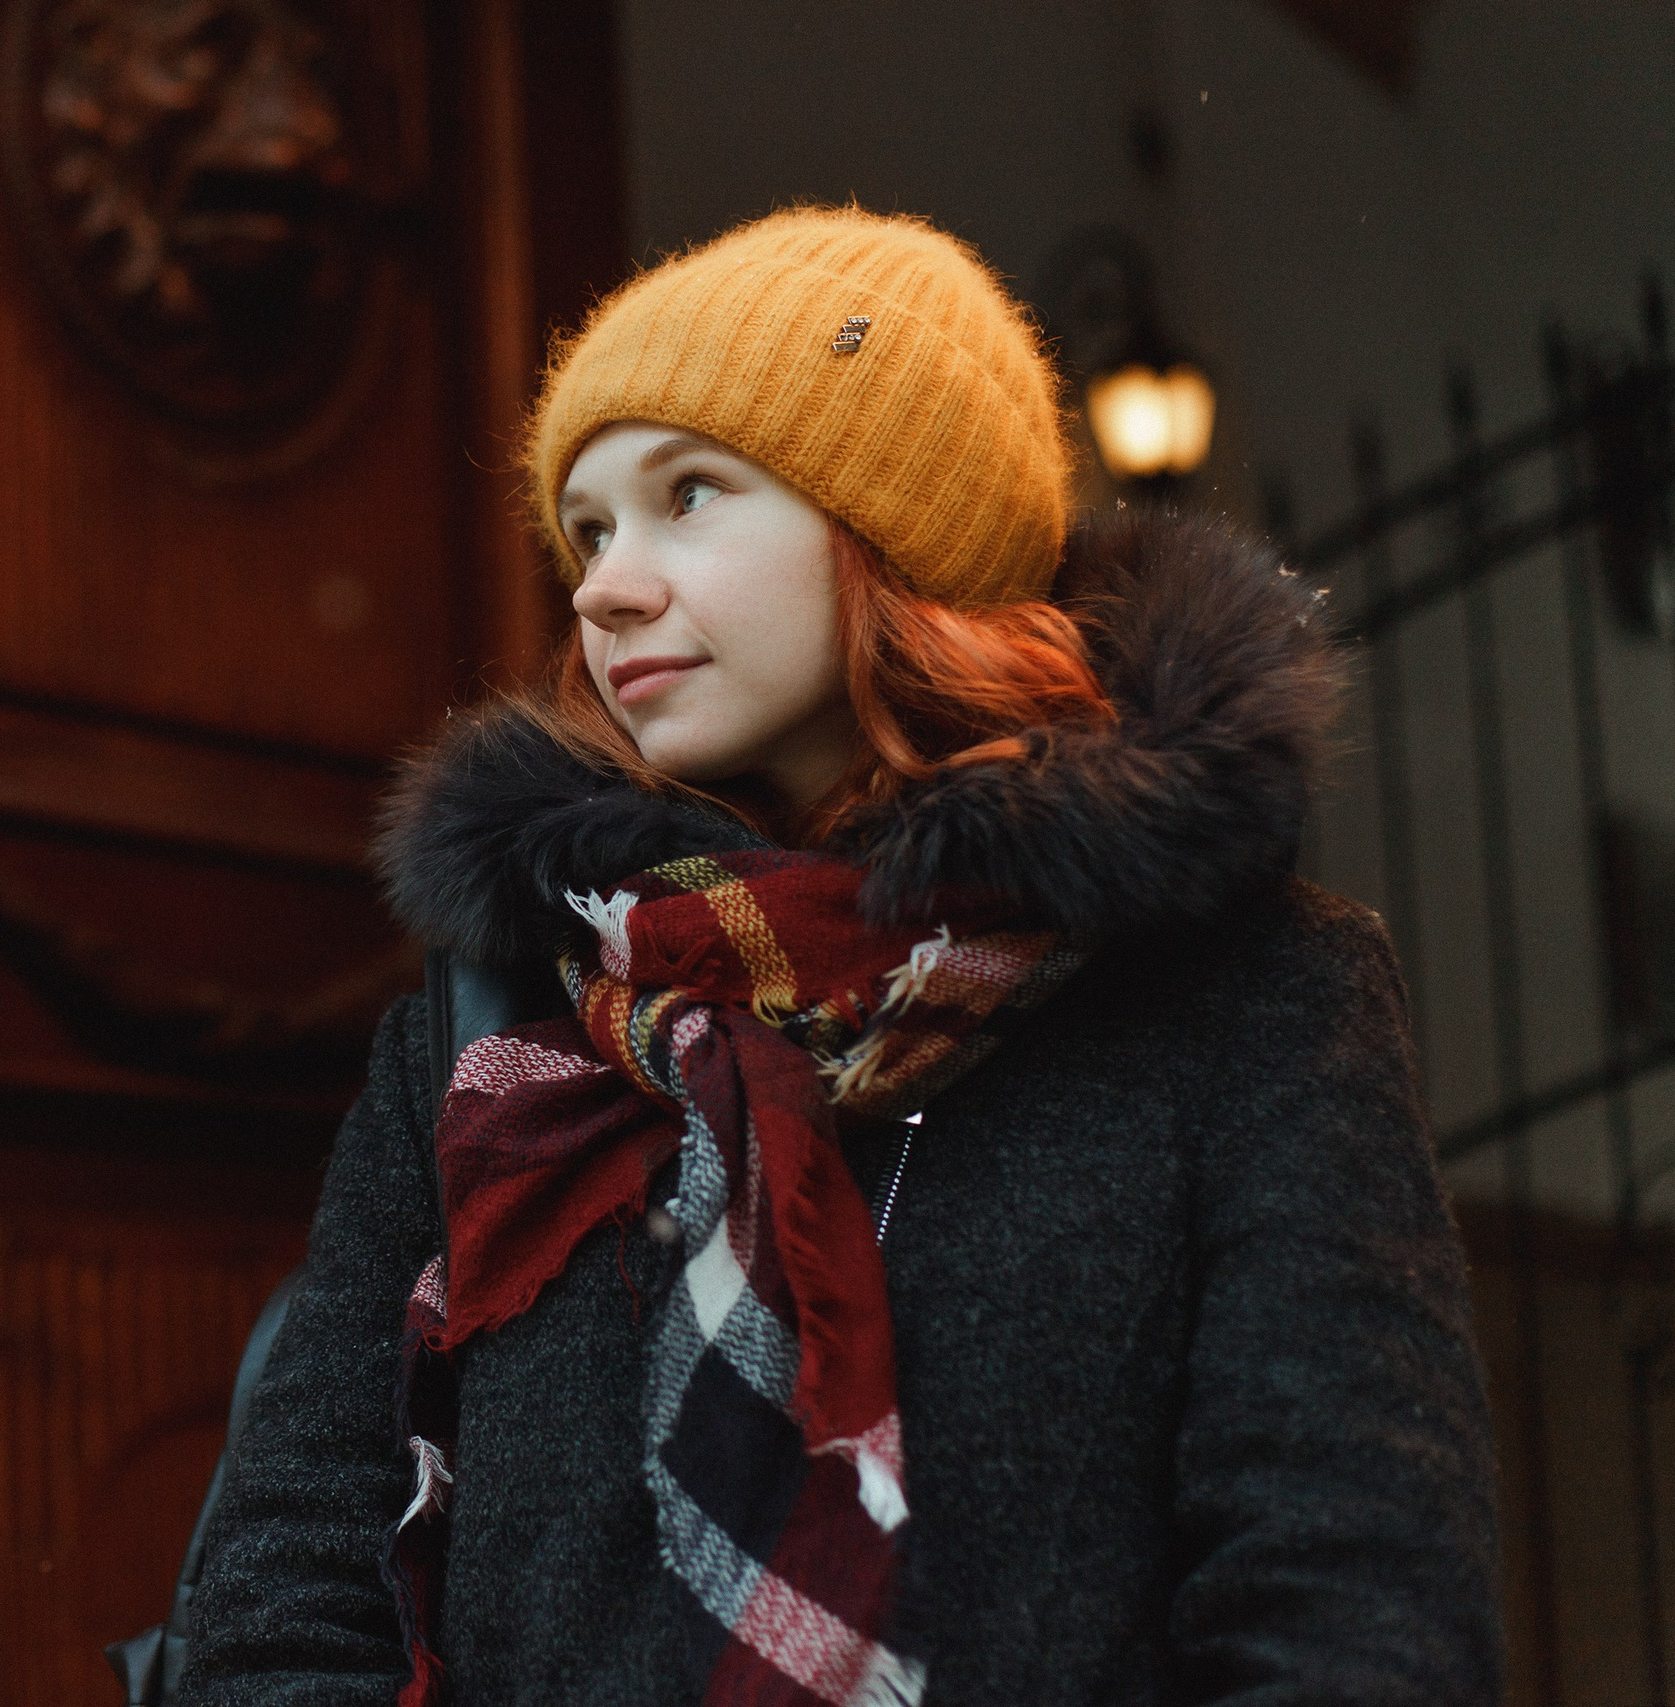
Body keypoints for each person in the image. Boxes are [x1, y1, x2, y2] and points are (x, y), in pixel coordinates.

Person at [172, 205, 1501, 1707]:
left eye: (691, 494)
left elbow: (1348, 1605)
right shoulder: (499, 1036)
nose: (606, 584)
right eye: (591, 526)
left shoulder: (1250, 1000)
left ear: (897, 533)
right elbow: (292, 1577)